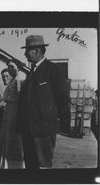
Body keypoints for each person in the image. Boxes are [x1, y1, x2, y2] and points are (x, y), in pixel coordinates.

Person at [18, 35, 70, 169]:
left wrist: (62, 122)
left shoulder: (53, 70)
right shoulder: (31, 72)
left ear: (36, 51)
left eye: (27, 50)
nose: (25, 54)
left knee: (44, 166)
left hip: (44, 130)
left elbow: (63, 98)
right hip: (29, 130)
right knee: (31, 166)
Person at [0, 68, 24, 169]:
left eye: (7, 76)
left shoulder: (17, 84)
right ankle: (6, 164)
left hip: (15, 112)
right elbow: (5, 100)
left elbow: (21, 97)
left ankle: (15, 165)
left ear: (12, 76)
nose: (4, 78)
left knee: (14, 137)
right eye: (3, 76)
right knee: (6, 137)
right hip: (8, 112)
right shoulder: (8, 87)